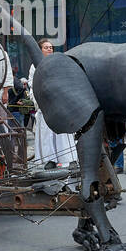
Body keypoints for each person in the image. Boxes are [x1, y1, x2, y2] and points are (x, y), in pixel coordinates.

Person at [28, 39, 77, 169]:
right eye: (46, 47)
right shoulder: (34, 66)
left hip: (59, 101)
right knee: (47, 133)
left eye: (51, 47)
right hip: (44, 102)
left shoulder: (57, 62)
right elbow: (32, 86)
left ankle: (70, 159)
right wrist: (39, 101)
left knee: (63, 133)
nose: (50, 49)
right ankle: (50, 159)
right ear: (40, 50)